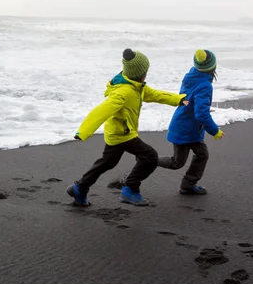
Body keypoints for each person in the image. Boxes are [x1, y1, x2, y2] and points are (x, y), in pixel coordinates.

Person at [67, 48, 188, 207]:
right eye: (146, 71)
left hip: (119, 133)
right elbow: (101, 111)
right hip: (122, 134)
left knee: (107, 163)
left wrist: (179, 99)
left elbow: (156, 95)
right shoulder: (123, 92)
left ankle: (80, 187)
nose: (146, 74)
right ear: (141, 73)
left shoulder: (137, 87)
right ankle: (130, 189)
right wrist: (83, 132)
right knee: (150, 156)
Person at [157, 49, 224, 195]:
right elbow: (201, 114)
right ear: (213, 67)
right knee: (177, 163)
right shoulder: (205, 85)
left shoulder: (190, 77)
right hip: (185, 129)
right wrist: (215, 131)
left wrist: (200, 109)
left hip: (186, 125)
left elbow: (189, 100)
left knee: (202, 154)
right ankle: (150, 159)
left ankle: (188, 184)